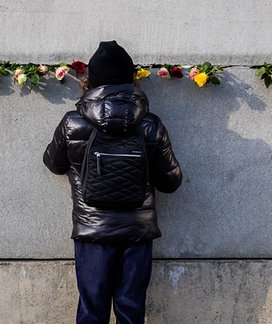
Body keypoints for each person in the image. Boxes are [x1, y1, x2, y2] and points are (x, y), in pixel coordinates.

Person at [43, 40, 182, 324]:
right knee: (131, 312)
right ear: (131, 80)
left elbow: (53, 164)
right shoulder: (150, 125)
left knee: (92, 311)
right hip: (137, 232)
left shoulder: (72, 123)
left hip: (92, 231)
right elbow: (171, 182)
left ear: (89, 81)